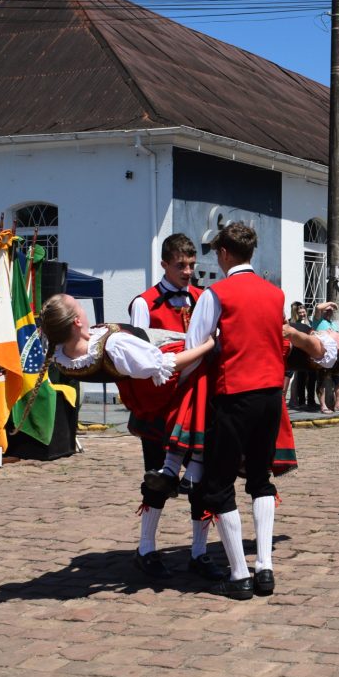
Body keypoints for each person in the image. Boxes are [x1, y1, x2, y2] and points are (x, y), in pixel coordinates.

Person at [35, 293, 221, 580]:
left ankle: (184, 551)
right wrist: (208, 345)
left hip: (147, 403)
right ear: (76, 320)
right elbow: (166, 364)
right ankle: (164, 550)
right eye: (80, 307)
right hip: (173, 396)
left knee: (182, 478)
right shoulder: (125, 330)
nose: (86, 312)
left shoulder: (64, 353)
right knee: (178, 476)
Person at [185, 222, 286, 600]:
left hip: (234, 394)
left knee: (219, 483)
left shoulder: (217, 293)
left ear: (224, 254)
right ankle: (264, 569)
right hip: (271, 395)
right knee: (260, 478)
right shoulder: (275, 294)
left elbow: (195, 347)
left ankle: (240, 575)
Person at [125, 233, 213, 579]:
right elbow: (137, 359)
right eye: (181, 266)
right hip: (159, 405)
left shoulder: (203, 298)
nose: (188, 272)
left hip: (199, 403)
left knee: (202, 481)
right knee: (158, 478)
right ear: (164, 264)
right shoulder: (144, 303)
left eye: (192, 265)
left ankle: (199, 552)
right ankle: (146, 547)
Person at [312, 301, 339, 412]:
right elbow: (317, 307)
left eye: (331, 311)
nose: (329, 312)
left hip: (337, 356)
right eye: (327, 310)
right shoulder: (318, 320)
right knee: (321, 378)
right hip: (323, 355)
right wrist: (331, 303)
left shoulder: (333, 324)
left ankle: (338, 403)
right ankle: (323, 405)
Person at [287, 301, 318, 410]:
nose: (302, 314)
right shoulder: (294, 323)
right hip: (300, 353)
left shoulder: (310, 322)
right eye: (300, 313)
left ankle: (311, 400)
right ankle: (301, 401)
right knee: (301, 377)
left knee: (312, 378)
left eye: (303, 312)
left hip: (311, 353)